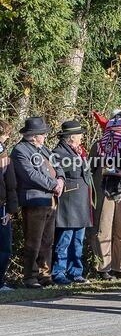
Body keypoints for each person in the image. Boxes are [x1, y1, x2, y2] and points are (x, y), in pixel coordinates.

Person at [11, 117, 65, 288]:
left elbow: (58, 165)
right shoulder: (20, 150)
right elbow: (30, 175)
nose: (45, 137)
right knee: (33, 241)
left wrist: (61, 179)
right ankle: (30, 277)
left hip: (50, 199)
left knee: (47, 240)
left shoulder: (45, 149)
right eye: (42, 134)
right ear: (33, 136)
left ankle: (44, 274)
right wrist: (53, 184)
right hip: (34, 200)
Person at [51, 120, 94, 284]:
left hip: (81, 201)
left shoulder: (79, 151)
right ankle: (59, 273)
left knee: (77, 240)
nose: (81, 138)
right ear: (71, 137)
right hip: (69, 201)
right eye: (79, 135)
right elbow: (64, 172)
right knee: (65, 240)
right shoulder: (58, 153)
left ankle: (76, 272)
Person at [90, 113, 121, 280]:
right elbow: (91, 169)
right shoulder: (98, 145)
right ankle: (103, 267)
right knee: (103, 229)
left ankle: (120, 266)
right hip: (104, 190)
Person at [0, 121, 17, 291]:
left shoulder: (4, 154)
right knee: (4, 247)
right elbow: (10, 184)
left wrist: (11, 209)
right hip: (1, 205)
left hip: (2, 205)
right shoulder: (4, 155)